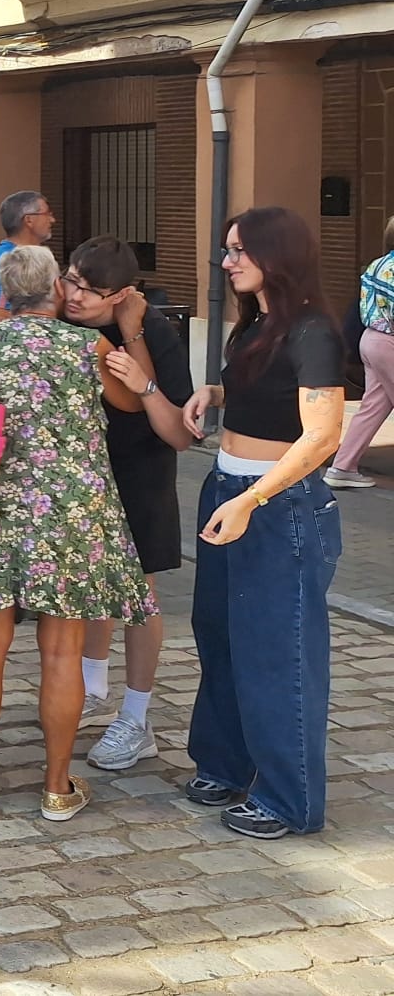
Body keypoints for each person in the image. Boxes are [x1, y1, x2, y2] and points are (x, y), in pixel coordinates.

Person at [0, 245, 154, 824]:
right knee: (63, 651)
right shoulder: (88, 346)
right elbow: (128, 403)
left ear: (4, 298)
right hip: (74, 515)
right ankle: (58, 787)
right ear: (57, 292)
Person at [181, 206, 345, 838]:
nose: (228, 262)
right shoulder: (258, 324)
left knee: (278, 653)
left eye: (240, 251)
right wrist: (215, 394)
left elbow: (323, 433)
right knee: (218, 633)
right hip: (227, 488)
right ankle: (225, 764)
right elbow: (267, 392)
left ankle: (286, 799)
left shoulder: (311, 330)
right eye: (227, 250)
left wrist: (251, 501)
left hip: (278, 507)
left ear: (278, 254)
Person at [55, 236, 195, 771]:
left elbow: (169, 410)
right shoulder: (62, 317)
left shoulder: (151, 327)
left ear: (121, 295)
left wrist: (133, 333)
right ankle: (94, 688)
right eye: (72, 280)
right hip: (81, 471)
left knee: (138, 592)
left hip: (140, 469)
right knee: (89, 584)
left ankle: (137, 719)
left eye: (92, 291)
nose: (76, 296)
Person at [327, 216, 394, 489]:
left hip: (370, 339)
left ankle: (342, 467)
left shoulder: (378, 264)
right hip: (389, 341)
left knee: (373, 406)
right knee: (373, 406)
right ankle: (342, 468)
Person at [0, 189, 55, 325]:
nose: (52, 220)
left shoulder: (20, 256)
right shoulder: (6, 259)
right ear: (29, 220)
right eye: (47, 214)